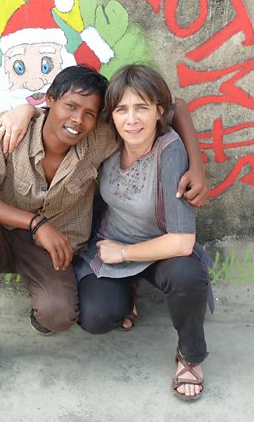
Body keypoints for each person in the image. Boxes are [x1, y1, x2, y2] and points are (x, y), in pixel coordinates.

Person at [0, 65, 208, 399]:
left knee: (59, 316)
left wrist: (197, 167)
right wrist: (35, 222)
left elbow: (175, 108)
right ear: (49, 100)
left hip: (51, 251)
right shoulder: (10, 131)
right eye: (70, 106)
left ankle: (44, 308)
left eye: (89, 113)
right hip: (1, 236)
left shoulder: (101, 136)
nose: (77, 120)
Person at [74, 64, 211, 401]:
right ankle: (129, 292)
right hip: (113, 239)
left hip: (161, 249)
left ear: (158, 111)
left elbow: (182, 242)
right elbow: (58, 111)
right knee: (96, 318)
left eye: (142, 108)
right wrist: (21, 112)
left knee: (188, 274)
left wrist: (124, 253)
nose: (131, 120)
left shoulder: (169, 150)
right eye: (122, 109)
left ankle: (190, 355)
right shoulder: (108, 137)